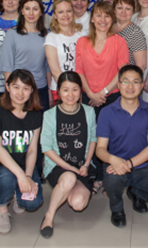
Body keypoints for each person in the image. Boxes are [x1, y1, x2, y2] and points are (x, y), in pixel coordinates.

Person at [96, 65, 148, 228]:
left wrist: (129, 164)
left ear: (141, 85)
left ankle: (136, 192)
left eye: (135, 82)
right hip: (116, 164)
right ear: (118, 85)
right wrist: (114, 160)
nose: (130, 86)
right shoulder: (106, 112)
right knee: (112, 180)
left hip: (143, 166)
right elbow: (100, 149)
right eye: (125, 81)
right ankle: (117, 209)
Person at [0, 70, 44, 234]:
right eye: (16, 87)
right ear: (7, 87)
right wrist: (21, 176)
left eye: (25, 88)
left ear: (31, 91)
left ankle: (17, 193)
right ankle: (2, 209)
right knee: (7, 176)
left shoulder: (35, 114)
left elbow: (32, 150)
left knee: (32, 203)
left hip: (22, 168)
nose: (20, 93)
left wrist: (27, 176)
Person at [39, 71, 97, 238]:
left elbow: (93, 140)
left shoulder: (89, 112)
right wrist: (69, 168)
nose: (70, 95)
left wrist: (86, 164)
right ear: (58, 91)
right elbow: (46, 148)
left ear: (81, 91)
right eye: (65, 90)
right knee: (69, 178)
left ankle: (68, 189)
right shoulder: (50, 115)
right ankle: (49, 216)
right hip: (58, 166)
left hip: (82, 166)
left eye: (74, 89)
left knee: (77, 204)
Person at [0, 0, 50, 112]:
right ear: (22, 11)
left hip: (40, 89)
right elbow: (7, 66)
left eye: (35, 9)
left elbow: (48, 67)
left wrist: (49, 90)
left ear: (41, 12)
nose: (31, 13)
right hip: (19, 90)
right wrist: (11, 91)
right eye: (27, 8)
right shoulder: (12, 34)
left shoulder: (46, 36)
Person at [76, 1, 128, 112]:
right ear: (92, 19)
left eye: (107, 16)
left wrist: (103, 92)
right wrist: (90, 94)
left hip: (112, 97)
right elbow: (79, 71)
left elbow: (122, 71)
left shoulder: (119, 41)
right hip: (88, 98)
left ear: (112, 19)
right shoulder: (81, 42)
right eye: (98, 15)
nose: (103, 20)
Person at [44, 0, 86, 105]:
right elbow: (55, 71)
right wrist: (69, 90)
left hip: (81, 89)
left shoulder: (82, 35)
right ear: (55, 15)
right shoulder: (51, 37)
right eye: (61, 12)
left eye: (68, 11)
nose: (65, 15)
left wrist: (78, 89)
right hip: (60, 90)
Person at [112, 0, 147, 71]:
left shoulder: (135, 32)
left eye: (128, 9)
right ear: (114, 10)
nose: (123, 12)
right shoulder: (108, 29)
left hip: (127, 77)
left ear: (133, 11)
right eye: (120, 8)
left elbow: (141, 65)